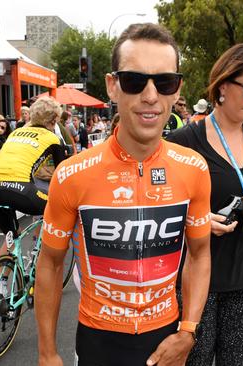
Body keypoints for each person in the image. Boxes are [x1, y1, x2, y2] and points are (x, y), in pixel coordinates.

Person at [35, 23, 212, 366]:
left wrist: (188, 331)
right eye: (134, 81)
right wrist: (46, 352)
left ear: (177, 91)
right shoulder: (72, 174)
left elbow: (200, 254)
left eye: (164, 82)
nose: (150, 96)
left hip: (167, 337)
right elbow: (50, 263)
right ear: (112, 86)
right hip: (98, 339)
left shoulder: (194, 168)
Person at [168, 43, 243, 365]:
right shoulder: (183, 142)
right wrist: (192, 219)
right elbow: (161, 205)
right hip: (197, 280)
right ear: (223, 85)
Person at [0, 97, 66, 259]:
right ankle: (39, 255)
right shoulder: (53, 138)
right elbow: (62, 174)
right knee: (60, 209)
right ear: (53, 120)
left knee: (12, 237)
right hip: (20, 190)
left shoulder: (15, 132)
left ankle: (2, 282)